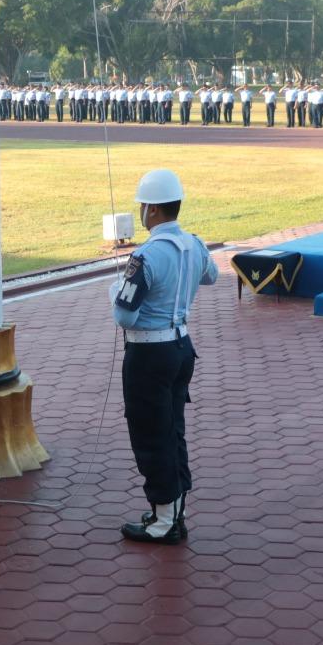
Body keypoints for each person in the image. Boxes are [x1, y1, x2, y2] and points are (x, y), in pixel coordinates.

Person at [112, 168, 218, 545]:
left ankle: (162, 520)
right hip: (181, 346)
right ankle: (175, 509)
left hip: (148, 353)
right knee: (172, 429)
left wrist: (116, 291)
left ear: (153, 210)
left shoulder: (146, 255)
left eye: (143, 206)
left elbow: (124, 314)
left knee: (150, 433)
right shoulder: (194, 244)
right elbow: (212, 277)